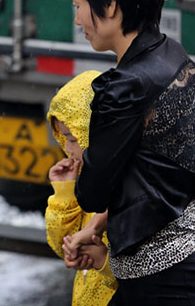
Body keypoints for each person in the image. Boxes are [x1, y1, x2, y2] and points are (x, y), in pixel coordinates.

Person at [59, 0, 195, 306]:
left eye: (79, 5)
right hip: (185, 272)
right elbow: (156, 175)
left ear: (110, 7)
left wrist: (81, 158)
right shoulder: (172, 55)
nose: (79, 18)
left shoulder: (125, 86)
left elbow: (92, 192)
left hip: (161, 288)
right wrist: (98, 227)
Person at [45, 70, 117, 306]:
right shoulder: (89, 183)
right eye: (63, 137)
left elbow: (151, 278)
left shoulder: (128, 187)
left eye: (73, 138)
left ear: (93, 132)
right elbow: (62, 246)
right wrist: (64, 191)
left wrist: (104, 262)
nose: (67, 147)